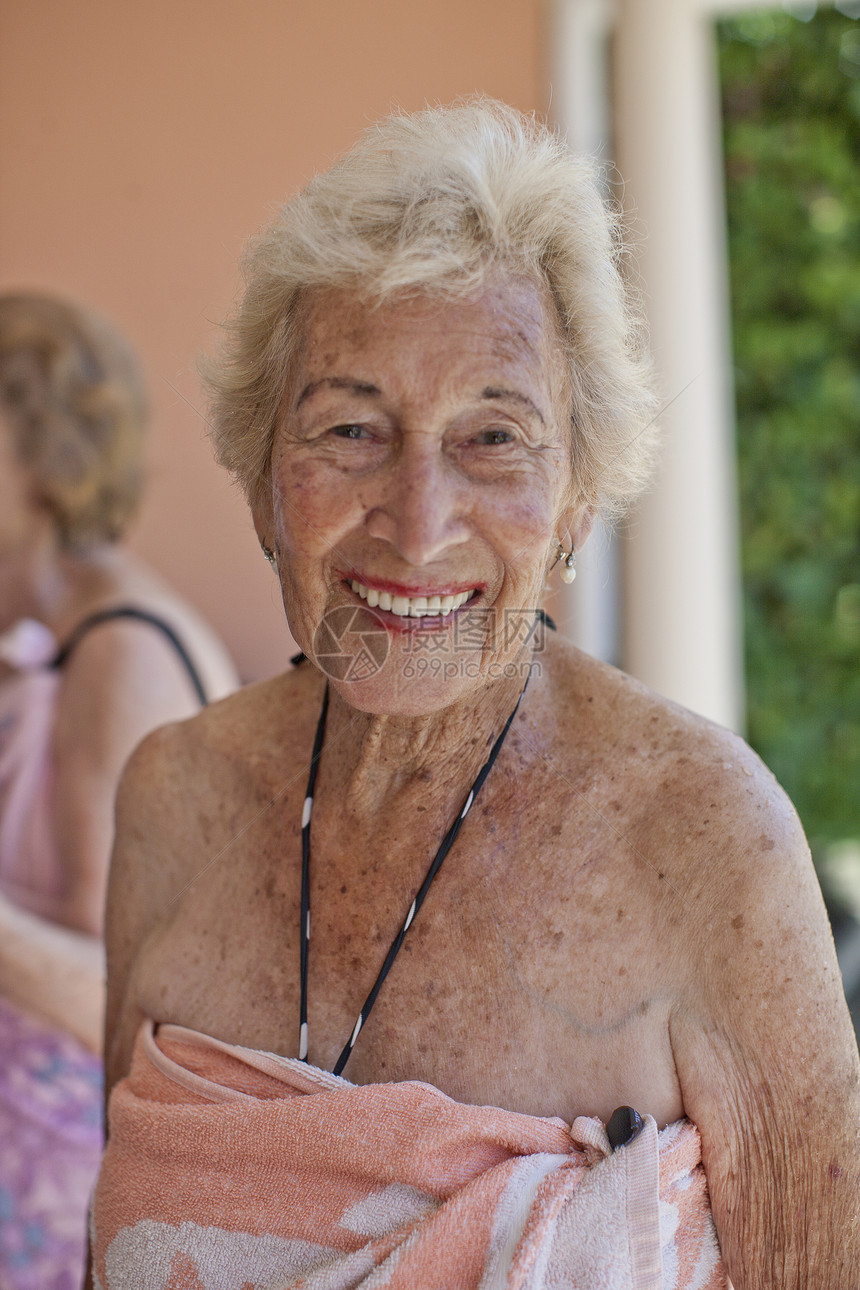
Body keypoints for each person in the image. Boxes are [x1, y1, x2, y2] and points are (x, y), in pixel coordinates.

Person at [88, 102, 859, 1289]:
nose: (417, 523)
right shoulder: (175, 800)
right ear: (258, 483)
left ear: (574, 505)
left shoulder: (702, 839)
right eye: (349, 427)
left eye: (492, 439)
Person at [0, 291, 238, 1289]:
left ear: (47, 459)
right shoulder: (47, 634)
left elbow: (121, 993)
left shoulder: (122, 653)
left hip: (66, 1192)